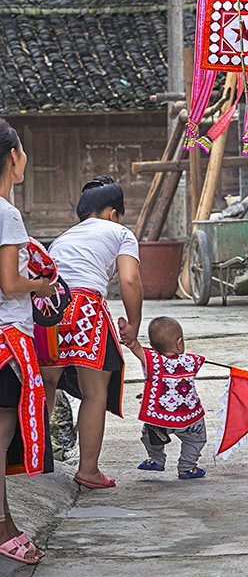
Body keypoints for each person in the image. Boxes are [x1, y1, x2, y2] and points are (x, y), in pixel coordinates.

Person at [40, 176, 143, 489]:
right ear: (114, 213)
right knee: (94, 392)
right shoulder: (121, 232)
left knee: (46, 384)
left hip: (48, 307)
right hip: (86, 308)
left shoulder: (62, 238)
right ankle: (88, 470)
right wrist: (134, 325)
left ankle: (33, 460)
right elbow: (129, 281)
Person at [0, 121, 55, 564]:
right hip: (7, 340)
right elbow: (10, 282)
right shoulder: (7, 213)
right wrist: (38, 285)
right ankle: (4, 526)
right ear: (13, 155)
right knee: (0, 441)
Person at [121, 316, 207, 480]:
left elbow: (135, 346)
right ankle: (187, 468)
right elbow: (201, 360)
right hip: (191, 417)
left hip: (159, 419)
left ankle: (156, 460)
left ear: (152, 346)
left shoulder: (152, 360)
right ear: (180, 342)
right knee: (195, 441)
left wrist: (128, 337)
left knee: (149, 436)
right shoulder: (191, 361)